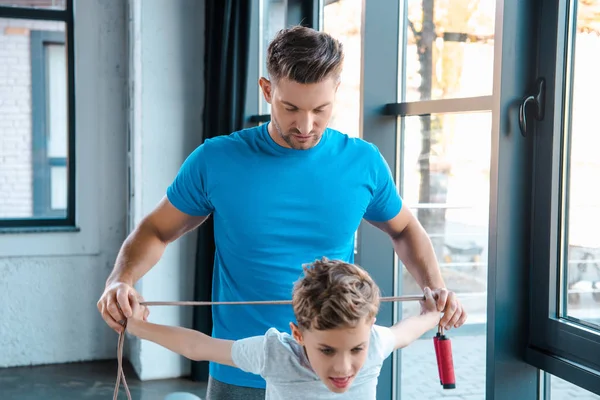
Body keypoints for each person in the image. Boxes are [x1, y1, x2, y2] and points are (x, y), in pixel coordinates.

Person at [97, 25, 467, 399]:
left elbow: (404, 229)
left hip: (329, 375)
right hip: (237, 372)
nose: (306, 126)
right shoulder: (216, 160)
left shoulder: (363, 163)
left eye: (320, 110)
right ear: (267, 90)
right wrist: (121, 280)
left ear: (336, 92)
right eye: (290, 108)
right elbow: (157, 231)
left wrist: (434, 286)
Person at [125, 258, 442, 399]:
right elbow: (199, 347)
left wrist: (433, 312)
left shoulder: (374, 342)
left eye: (355, 349)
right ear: (298, 334)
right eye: (327, 350)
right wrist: (138, 327)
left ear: (370, 327)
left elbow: (407, 331)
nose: (344, 367)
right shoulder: (276, 353)